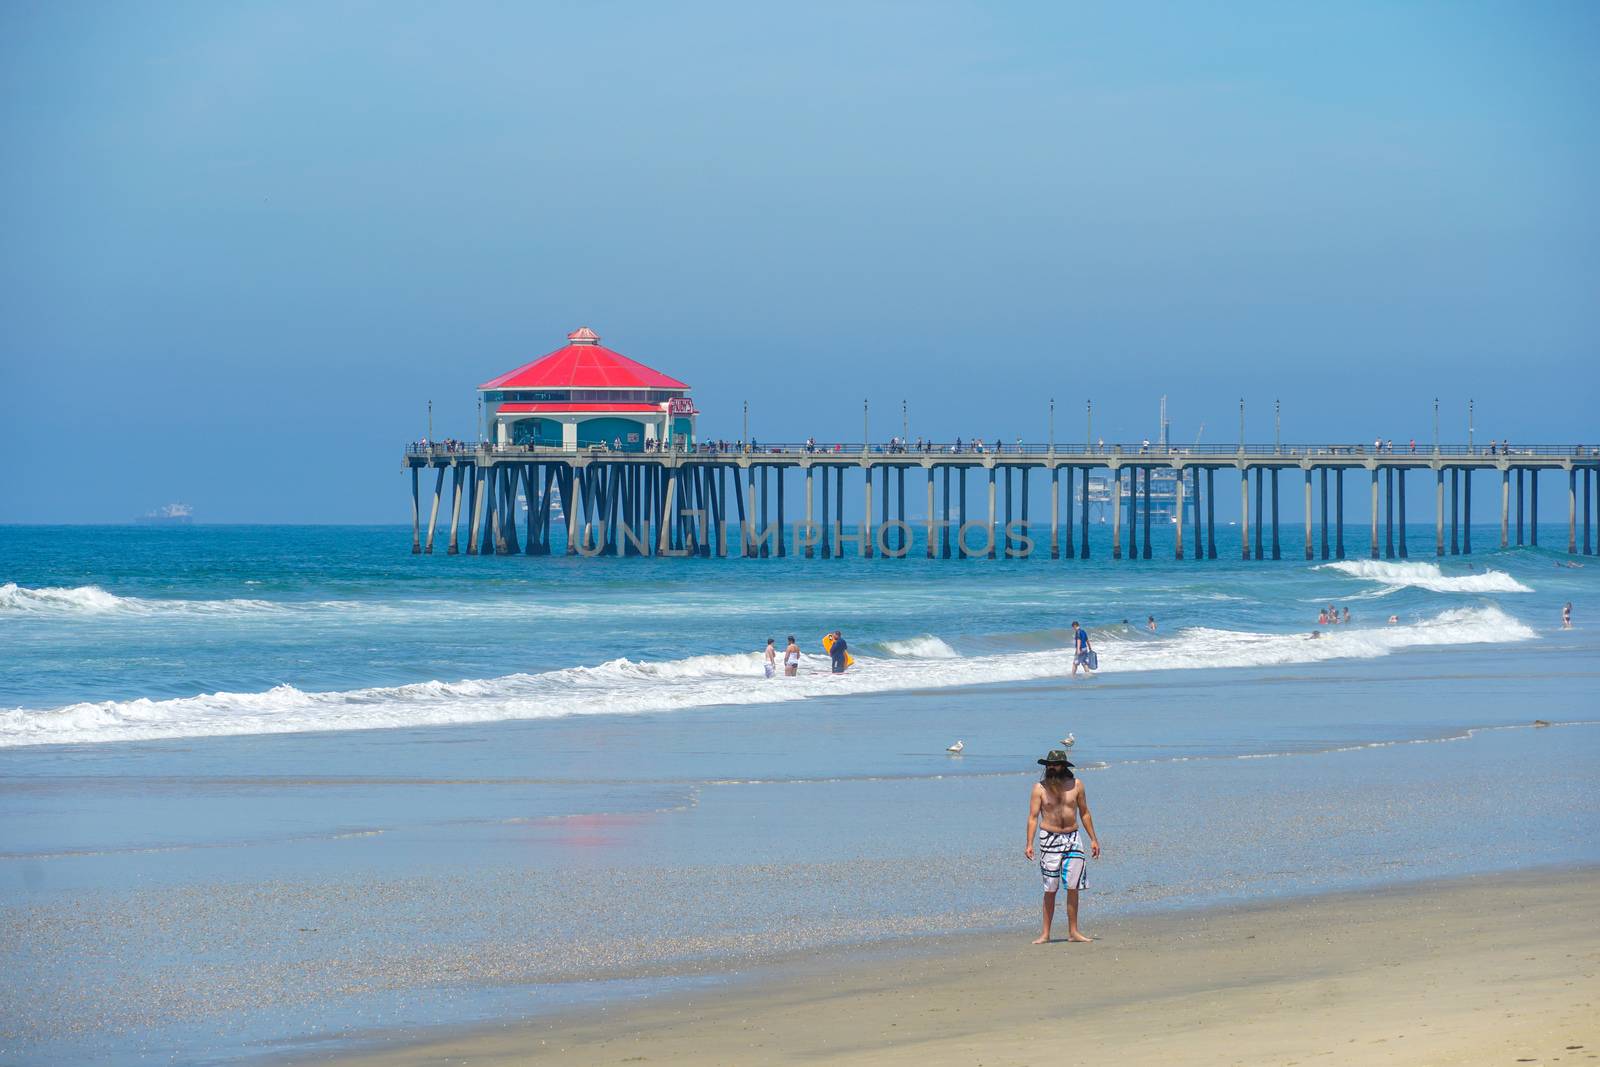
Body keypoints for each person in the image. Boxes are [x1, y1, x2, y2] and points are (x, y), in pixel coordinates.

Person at [1024, 749, 1099, 944]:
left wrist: (1093, 839)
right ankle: (1045, 934)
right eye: (1048, 764)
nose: (1050, 767)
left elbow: (1084, 813)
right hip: (1049, 839)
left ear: (1064, 766)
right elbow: (1032, 818)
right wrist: (1029, 843)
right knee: (1050, 888)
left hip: (1073, 839)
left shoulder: (1077, 785)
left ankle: (1073, 932)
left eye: (1055, 764)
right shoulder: (1039, 789)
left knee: (1073, 887)